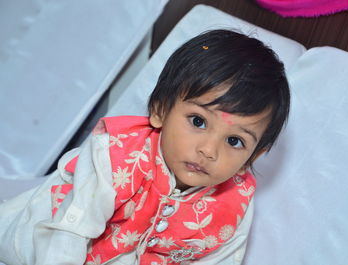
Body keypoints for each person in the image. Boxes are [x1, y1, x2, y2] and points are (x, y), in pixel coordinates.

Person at [0, 29, 290, 265]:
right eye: (198, 121)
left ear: (253, 156)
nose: (209, 150)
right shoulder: (114, 154)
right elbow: (68, 235)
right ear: (160, 110)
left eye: (234, 141)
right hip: (34, 245)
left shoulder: (234, 201)